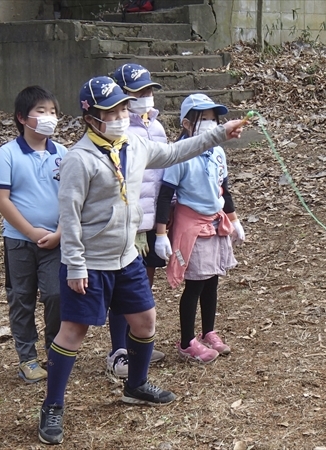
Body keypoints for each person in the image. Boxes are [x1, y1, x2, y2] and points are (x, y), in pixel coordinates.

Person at [38, 77, 244, 445]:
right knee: (73, 332)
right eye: (110, 111)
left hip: (127, 257)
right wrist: (75, 264)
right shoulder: (78, 159)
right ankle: (52, 405)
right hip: (91, 261)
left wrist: (219, 134)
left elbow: (176, 153)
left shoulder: (135, 143)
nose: (119, 115)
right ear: (91, 118)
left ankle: (136, 385)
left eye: (121, 108)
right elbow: (68, 216)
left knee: (146, 321)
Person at [154, 93, 246, 364]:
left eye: (213, 119)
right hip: (191, 225)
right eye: (202, 119)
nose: (210, 124)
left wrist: (235, 220)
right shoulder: (179, 155)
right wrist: (161, 233)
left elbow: (223, 188)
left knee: (213, 279)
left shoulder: (217, 151)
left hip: (215, 222)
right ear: (186, 123)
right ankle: (186, 342)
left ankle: (208, 331)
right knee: (195, 283)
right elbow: (164, 194)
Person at [0, 86, 67, 383]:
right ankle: (28, 358)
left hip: (56, 241)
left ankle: (56, 351)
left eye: (53, 112)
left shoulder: (63, 153)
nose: (49, 118)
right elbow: (2, 199)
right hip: (19, 242)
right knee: (21, 297)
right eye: (41, 112)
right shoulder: (7, 154)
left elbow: (73, 198)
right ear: (22, 117)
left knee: (56, 294)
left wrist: (60, 232)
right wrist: (30, 231)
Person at [103, 63, 167, 380]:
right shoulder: (117, 130)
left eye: (149, 90)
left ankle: (138, 342)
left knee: (144, 284)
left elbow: (165, 171)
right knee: (123, 290)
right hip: (127, 224)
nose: (147, 97)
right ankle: (118, 350)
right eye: (140, 92)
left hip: (154, 219)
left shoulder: (156, 128)